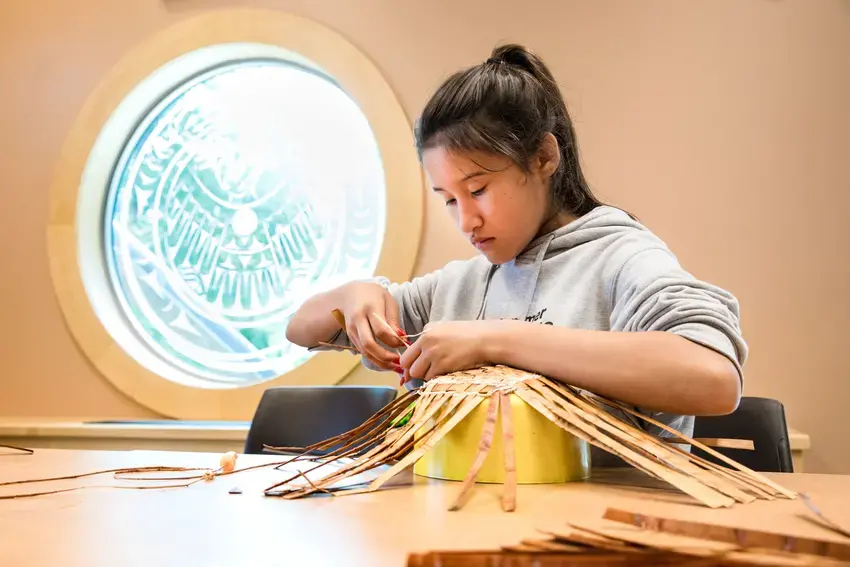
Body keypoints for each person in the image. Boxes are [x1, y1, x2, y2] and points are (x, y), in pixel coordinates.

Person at [286, 43, 747, 460]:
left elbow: (714, 378)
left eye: (479, 189)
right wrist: (353, 295)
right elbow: (301, 329)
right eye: (449, 199)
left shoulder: (621, 257)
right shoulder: (460, 286)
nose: (465, 221)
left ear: (544, 157)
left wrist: (495, 339)